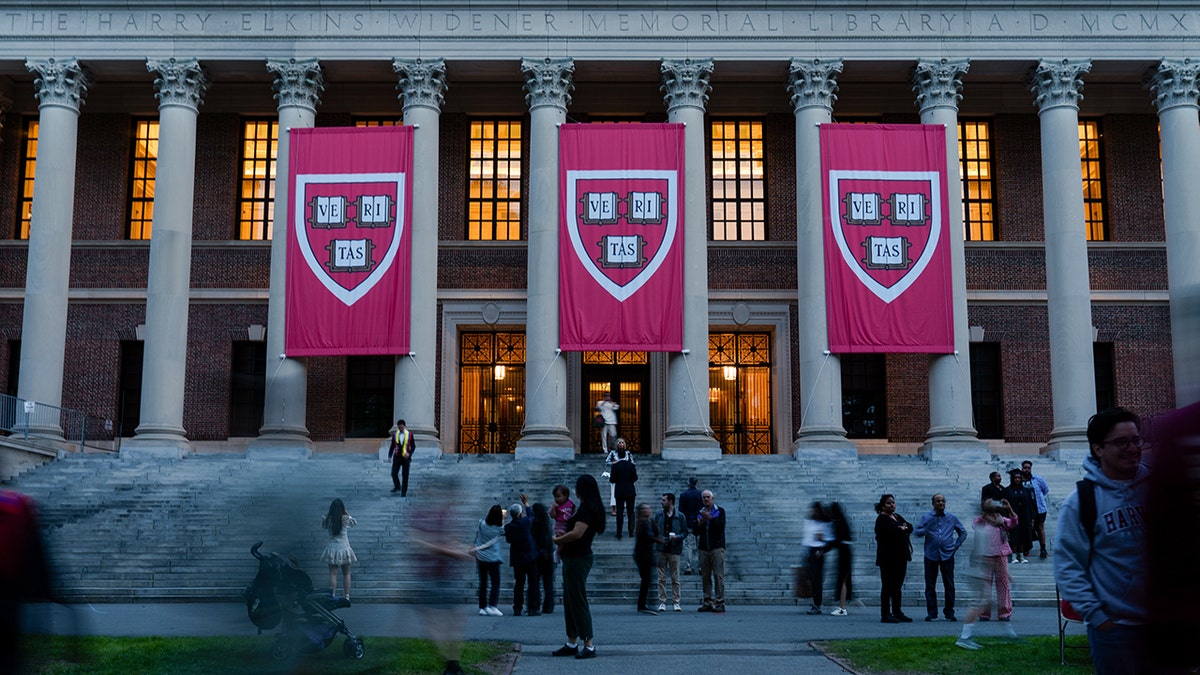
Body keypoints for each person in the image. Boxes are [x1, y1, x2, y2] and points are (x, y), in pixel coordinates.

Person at [1054, 407, 1151, 675]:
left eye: (1136, 440)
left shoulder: (1160, 488)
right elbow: (1067, 566)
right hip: (1116, 632)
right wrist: (1098, 617)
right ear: (1098, 449)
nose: (1133, 448)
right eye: (1122, 442)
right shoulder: (1081, 502)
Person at [411, 476, 473, 675]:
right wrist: (454, 552)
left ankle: (453, 664)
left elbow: (450, 541)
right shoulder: (418, 516)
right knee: (433, 623)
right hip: (429, 576)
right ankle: (449, 663)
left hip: (447, 575)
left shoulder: (444, 513)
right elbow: (421, 544)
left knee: (456, 620)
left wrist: (464, 549)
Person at [551, 473, 606, 659]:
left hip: (579, 558)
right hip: (572, 558)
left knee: (578, 600)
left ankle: (588, 644)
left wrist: (557, 539)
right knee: (570, 600)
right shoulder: (584, 507)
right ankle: (571, 641)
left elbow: (577, 533)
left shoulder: (588, 509)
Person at [956, 498, 1019, 650]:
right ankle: (969, 633)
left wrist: (1009, 507)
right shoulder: (980, 522)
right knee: (982, 597)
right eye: (988, 501)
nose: (992, 502)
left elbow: (1014, 522)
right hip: (984, 561)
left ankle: (1005, 618)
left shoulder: (1001, 520)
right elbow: (976, 527)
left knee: (998, 590)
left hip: (999, 556)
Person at [913, 494, 968, 622]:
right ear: (933, 503)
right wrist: (925, 529)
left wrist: (956, 545)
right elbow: (917, 532)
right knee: (930, 585)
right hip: (931, 555)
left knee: (949, 584)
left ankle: (949, 612)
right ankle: (932, 613)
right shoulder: (927, 517)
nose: (940, 503)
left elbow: (963, 532)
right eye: (938, 501)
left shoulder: (951, 518)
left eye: (943, 501)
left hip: (947, 555)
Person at [874, 493, 913, 623]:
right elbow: (890, 531)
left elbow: (910, 526)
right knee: (887, 586)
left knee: (897, 586)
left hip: (901, 557)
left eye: (893, 502)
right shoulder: (881, 519)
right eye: (888, 503)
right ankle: (885, 613)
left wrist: (903, 527)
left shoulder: (897, 516)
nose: (892, 505)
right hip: (888, 558)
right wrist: (901, 528)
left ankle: (897, 611)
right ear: (882, 506)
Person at [504, 497, 541, 616]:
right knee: (533, 583)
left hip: (517, 559)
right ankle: (533, 608)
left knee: (519, 584)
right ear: (520, 513)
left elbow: (508, 540)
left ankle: (517, 608)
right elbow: (531, 516)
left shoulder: (508, 527)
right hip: (530, 556)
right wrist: (527, 504)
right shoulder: (525, 522)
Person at [651, 492, 687, 613]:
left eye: (664, 500)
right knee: (661, 578)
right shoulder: (658, 515)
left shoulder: (680, 516)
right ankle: (662, 601)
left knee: (675, 577)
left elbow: (685, 532)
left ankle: (676, 601)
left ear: (670, 501)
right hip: (661, 549)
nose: (662, 502)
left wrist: (677, 537)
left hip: (674, 549)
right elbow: (653, 531)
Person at [693, 489, 727, 613]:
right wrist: (701, 522)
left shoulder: (719, 511)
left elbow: (720, 527)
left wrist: (710, 518)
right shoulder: (699, 512)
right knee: (705, 576)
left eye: (708, 497)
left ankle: (720, 602)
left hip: (717, 547)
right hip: (703, 548)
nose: (706, 499)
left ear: (712, 498)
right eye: (704, 497)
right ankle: (707, 601)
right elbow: (695, 531)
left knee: (718, 575)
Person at [319, 498, 358, 600]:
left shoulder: (328, 519)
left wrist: (329, 513)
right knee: (347, 573)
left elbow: (323, 525)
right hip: (344, 548)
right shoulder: (345, 518)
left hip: (332, 548)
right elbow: (354, 523)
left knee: (333, 573)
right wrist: (346, 511)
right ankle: (347, 596)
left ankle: (332, 595)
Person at [470, 504, 505, 617]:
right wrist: (503, 518)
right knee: (495, 582)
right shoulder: (499, 528)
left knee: (483, 583)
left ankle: (482, 607)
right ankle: (492, 606)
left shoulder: (482, 523)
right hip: (493, 558)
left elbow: (478, 534)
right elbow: (502, 528)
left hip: (480, 557)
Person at [801, 501, 833, 615]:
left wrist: (822, 545)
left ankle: (817, 604)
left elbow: (830, 539)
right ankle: (815, 601)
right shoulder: (809, 521)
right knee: (811, 578)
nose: (813, 512)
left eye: (815, 510)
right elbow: (806, 537)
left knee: (817, 579)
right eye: (812, 510)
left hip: (818, 552)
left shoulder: (824, 523)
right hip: (809, 551)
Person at [1020, 460, 1051, 558]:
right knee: (1028, 528)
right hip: (1026, 509)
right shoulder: (1019, 480)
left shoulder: (1037, 479)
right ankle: (1027, 548)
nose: (1027, 470)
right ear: (1022, 468)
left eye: (1029, 468)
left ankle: (1043, 549)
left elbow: (1045, 490)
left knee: (1040, 528)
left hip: (1039, 508)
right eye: (1025, 468)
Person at [1004, 469, 1035, 563]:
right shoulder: (1007, 490)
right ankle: (1013, 556)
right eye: (1015, 478)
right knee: (1014, 535)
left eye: (1019, 477)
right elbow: (1004, 506)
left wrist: (1032, 518)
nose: (1017, 479)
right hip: (1012, 517)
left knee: (1022, 535)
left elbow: (1030, 504)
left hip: (1024, 517)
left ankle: (1021, 555)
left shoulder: (1026, 490)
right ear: (1012, 479)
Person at [530, 502, 556, 615]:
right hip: (547, 556)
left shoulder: (533, 524)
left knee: (534, 583)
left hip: (536, 557)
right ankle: (548, 605)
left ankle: (534, 604)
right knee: (548, 583)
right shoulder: (547, 524)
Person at [609, 439, 638, 539]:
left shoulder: (615, 466)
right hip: (630, 490)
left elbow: (612, 479)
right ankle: (631, 532)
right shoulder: (631, 465)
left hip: (619, 491)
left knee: (619, 512)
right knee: (631, 512)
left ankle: (619, 532)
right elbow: (635, 478)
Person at [829, 502, 854, 616]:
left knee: (843, 580)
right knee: (845, 579)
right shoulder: (843, 522)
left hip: (843, 553)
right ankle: (845, 603)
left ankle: (842, 608)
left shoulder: (838, 523)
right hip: (846, 552)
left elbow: (836, 540)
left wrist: (823, 549)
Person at [633, 503, 657, 614]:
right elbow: (648, 537)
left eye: (648, 508)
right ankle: (642, 604)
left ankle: (643, 603)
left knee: (647, 580)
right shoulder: (641, 523)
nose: (648, 510)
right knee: (646, 580)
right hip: (642, 555)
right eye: (645, 509)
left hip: (646, 555)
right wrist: (659, 540)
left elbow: (655, 533)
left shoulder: (648, 522)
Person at [678, 477, 703, 575]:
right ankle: (701, 567)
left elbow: (681, 511)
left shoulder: (684, 495)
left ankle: (688, 567)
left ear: (688, 483)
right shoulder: (701, 494)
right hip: (700, 522)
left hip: (688, 522)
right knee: (700, 546)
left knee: (689, 545)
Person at [389, 419, 415, 496]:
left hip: (406, 458)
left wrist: (409, 454)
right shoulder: (395, 435)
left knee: (405, 475)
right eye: (399, 427)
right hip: (397, 458)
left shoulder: (410, 434)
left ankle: (404, 491)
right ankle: (397, 486)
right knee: (393, 473)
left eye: (402, 427)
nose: (401, 428)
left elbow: (413, 446)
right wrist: (390, 455)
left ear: (404, 426)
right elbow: (392, 446)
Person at [550, 484, 575, 564]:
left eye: (558, 496)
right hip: (559, 525)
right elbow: (552, 516)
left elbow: (573, 509)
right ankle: (557, 552)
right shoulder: (555, 505)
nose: (556, 499)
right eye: (555, 497)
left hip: (568, 524)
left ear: (566, 496)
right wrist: (553, 508)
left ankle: (561, 552)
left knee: (567, 539)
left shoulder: (570, 502)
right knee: (561, 538)